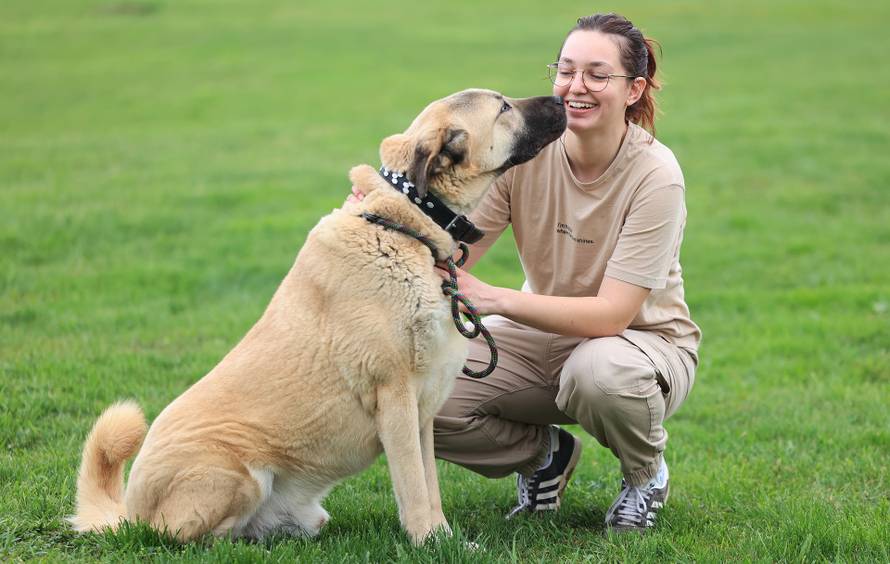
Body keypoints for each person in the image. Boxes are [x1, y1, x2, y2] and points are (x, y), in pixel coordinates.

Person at [349, 12, 700, 533]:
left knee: (599, 373)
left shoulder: (656, 176)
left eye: (597, 75)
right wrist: (386, 210)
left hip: (638, 344)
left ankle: (645, 475)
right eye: (565, 70)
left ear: (634, 89)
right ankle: (545, 456)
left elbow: (612, 314)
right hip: (538, 336)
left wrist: (496, 300)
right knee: (415, 394)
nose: (575, 87)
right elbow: (453, 251)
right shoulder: (527, 153)